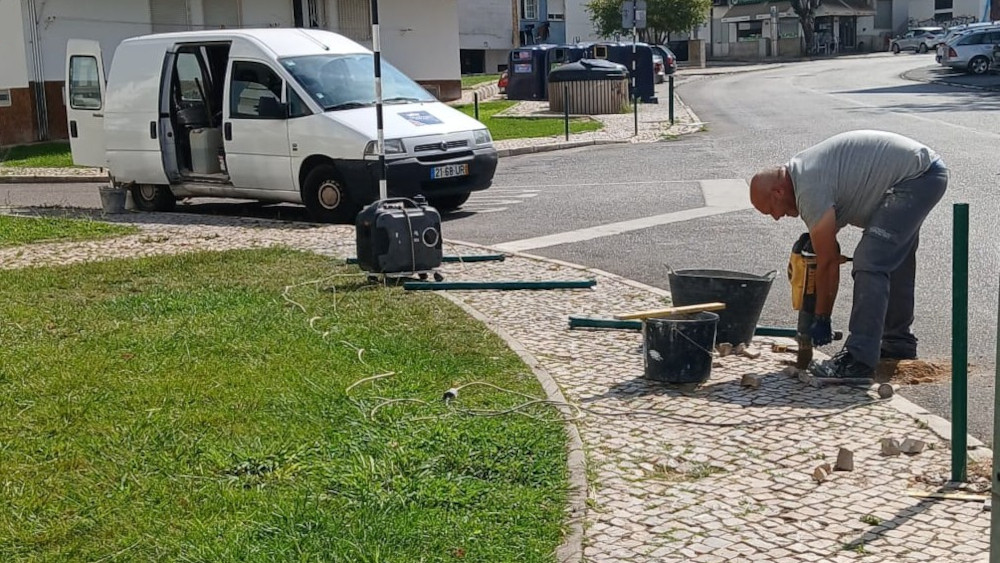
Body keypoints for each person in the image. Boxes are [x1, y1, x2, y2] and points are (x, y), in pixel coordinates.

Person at [749, 130, 949, 378]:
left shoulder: (808, 188)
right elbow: (827, 245)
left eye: (771, 210)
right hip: (923, 171)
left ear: (778, 192)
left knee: (870, 261)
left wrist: (822, 317)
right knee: (893, 259)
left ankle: (858, 360)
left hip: (918, 177)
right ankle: (897, 343)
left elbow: (828, 262)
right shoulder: (804, 174)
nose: (777, 217)